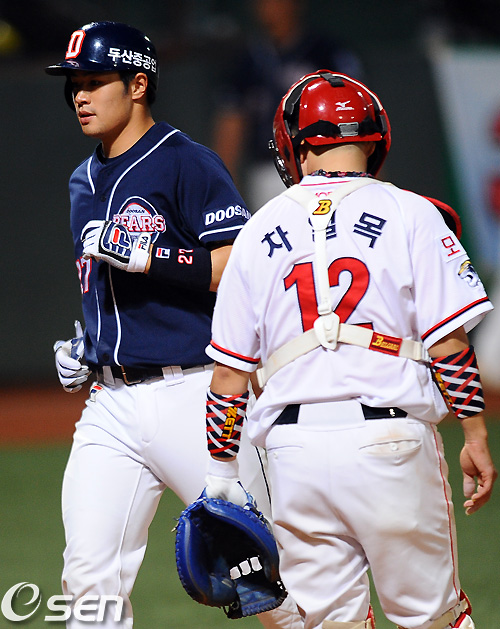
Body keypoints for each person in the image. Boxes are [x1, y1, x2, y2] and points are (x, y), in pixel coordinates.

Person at [201, 70, 498, 628]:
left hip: (293, 455)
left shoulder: (259, 229)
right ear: (375, 137)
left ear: (295, 143)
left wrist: (221, 474)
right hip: (391, 445)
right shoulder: (411, 212)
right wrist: (475, 434)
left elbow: (229, 379)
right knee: (434, 620)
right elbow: (449, 344)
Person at [46, 20, 302, 629]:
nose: (80, 95)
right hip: (111, 403)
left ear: (138, 85)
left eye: (94, 81)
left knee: (267, 577)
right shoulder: (82, 180)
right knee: (88, 579)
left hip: (195, 393)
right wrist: (89, 345)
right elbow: (112, 288)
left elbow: (238, 263)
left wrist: (154, 256)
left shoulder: (185, 161)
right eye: (74, 84)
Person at [211, 0, 364, 212]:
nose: (270, 7)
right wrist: (224, 188)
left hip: (327, 164)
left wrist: (368, 175)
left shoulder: (326, 53)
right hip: (269, 169)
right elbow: (230, 126)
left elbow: (358, 118)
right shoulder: (245, 61)